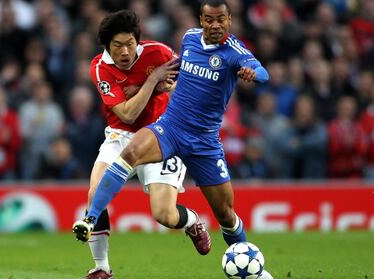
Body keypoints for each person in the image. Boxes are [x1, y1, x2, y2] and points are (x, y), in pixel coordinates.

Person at [74, 1, 273, 278]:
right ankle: (97, 250)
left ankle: (249, 268)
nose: (215, 25)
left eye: (221, 20)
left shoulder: (229, 51)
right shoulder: (189, 38)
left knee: (215, 213)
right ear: (201, 20)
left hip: (203, 140)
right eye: (209, 19)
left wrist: (254, 74)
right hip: (165, 129)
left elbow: (261, 71)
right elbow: (131, 113)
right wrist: (156, 82)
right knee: (123, 159)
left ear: (229, 20)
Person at [72, 10, 210, 279]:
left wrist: (169, 87)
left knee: (164, 215)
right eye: (117, 45)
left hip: (163, 134)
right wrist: (152, 81)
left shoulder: (159, 52)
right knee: (94, 194)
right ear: (107, 47)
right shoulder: (100, 67)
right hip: (120, 135)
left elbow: (189, 80)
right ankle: (102, 268)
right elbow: (127, 114)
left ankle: (192, 222)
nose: (124, 51)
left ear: (138, 41)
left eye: (129, 43)